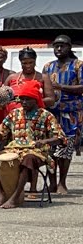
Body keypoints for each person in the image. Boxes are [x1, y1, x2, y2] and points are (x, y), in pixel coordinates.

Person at [0, 81, 65, 208]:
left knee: (27, 159)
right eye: (21, 100)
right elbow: (1, 135)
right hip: (14, 149)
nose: (24, 103)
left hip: (36, 151)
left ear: (35, 99)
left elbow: (61, 138)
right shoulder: (14, 114)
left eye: (27, 100)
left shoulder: (46, 115)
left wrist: (45, 141)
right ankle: (1, 194)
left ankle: (15, 197)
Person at [43, 35, 82, 193]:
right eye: (56, 46)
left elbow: (82, 87)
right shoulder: (48, 66)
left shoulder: (78, 65)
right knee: (51, 147)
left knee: (66, 146)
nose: (59, 49)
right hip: (52, 112)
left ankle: (62, 182)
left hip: (71, 112)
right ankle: (52, 182)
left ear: (70, 47)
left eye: (62, 46)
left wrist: (60, 87)